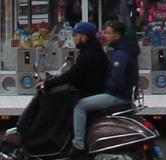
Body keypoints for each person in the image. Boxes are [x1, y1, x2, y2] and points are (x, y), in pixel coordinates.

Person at [68, 20, 138, 157]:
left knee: (79, 106)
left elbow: (117, 78)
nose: (104, 35)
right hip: (122, 94)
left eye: (108, 33)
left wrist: (107, 88)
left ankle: (79, 144)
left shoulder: (120, 54)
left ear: (117, 36)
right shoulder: (122, 50)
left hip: (117, 95)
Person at [43, 22, 108, 157]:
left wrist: (49, 84)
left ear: (84, 37)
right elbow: (76, 73)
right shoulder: (93, 50)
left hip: (93, 92)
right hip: (93, 89)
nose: (74, 38)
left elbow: (73, 75)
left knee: (79, 107)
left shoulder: (89, 54)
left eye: (76, 35)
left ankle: (78, 145)